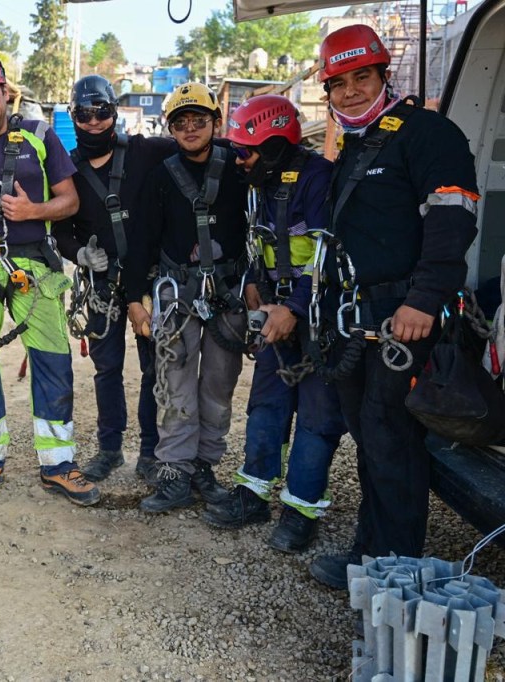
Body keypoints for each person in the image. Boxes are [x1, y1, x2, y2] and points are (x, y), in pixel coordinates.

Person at [307, 25, 478, 589]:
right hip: (357, 322)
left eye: (363, 77)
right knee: (371, 437)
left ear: (385, 75)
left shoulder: (427, 134)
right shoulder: (359, 143)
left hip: (402, 319)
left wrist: (425, 300)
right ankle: (371, 553)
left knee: (391, 441)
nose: (351, 90)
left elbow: (452, 221)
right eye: (340, 82)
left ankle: (396, 571)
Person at [0, 54, 99, 505]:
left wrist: (33, 211)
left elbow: (69, 201)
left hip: (34, 266)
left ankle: (58, 464)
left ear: (7, 92)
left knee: (53, 361)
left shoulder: (41, 136)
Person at [200, 95, 346, 553]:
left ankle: (301, 509)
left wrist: (295, 308)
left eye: (248, 151)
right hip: (274, 313)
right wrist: (252, 283)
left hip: (317, 319)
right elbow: (259, 241)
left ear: (278, 144)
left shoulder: (318, 180)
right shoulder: (259, 183)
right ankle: (254, 492)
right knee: (266, 403)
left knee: (318, 417)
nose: (240, 160)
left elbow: (328, 255)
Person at [125, 82, 247, 514]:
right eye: (181, 122)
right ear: (170, 128)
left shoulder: (239, 166)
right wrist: (135, 300)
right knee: (175, 385)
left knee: (218, 384)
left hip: (228, 296)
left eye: (199, 120)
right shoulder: (161, 176)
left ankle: (205, 465)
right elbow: (141, 240)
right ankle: (174, 469)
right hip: (176, 296)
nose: (191, 128)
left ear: (216, 122)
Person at [52, 75, 177, 482]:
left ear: (114, 112)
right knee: (107, 369)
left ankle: (149, 450)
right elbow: (62, 231)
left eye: (101, 112)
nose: (93, 122)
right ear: (74, 116)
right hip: (103, 285)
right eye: (84, 114)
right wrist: (79, 254)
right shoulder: (68, 169)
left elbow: (198, 147)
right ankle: (109, 449)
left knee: (152, 368)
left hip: (146, 281)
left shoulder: (146, 151)